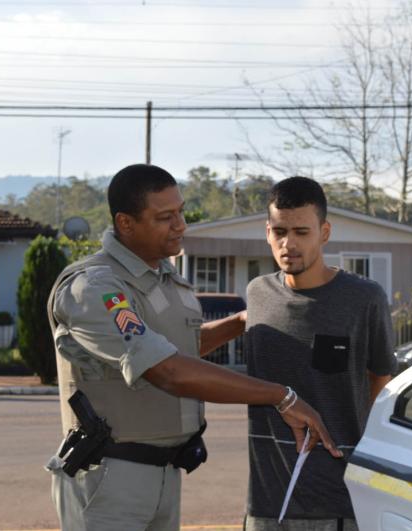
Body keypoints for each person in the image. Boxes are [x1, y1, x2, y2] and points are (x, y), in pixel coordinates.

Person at [45, 164, 342, 531]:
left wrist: (239, 323)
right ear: (125, 223)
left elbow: (181, 349)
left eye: (180, 211)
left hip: (166, 473)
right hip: (111, 476)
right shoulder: (96, 288)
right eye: (165, 217)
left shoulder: (164, 279)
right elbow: (167, 370)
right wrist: (280, 396)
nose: (181, 225)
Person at [243, 177, 397, 531]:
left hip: (338, 500)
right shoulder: (257, 294)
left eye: (301, 231)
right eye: (279, 231)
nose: (288, 243)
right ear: (267, 232)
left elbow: (381, 381)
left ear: (324, 232)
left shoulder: (364, 298)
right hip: (266, 500)